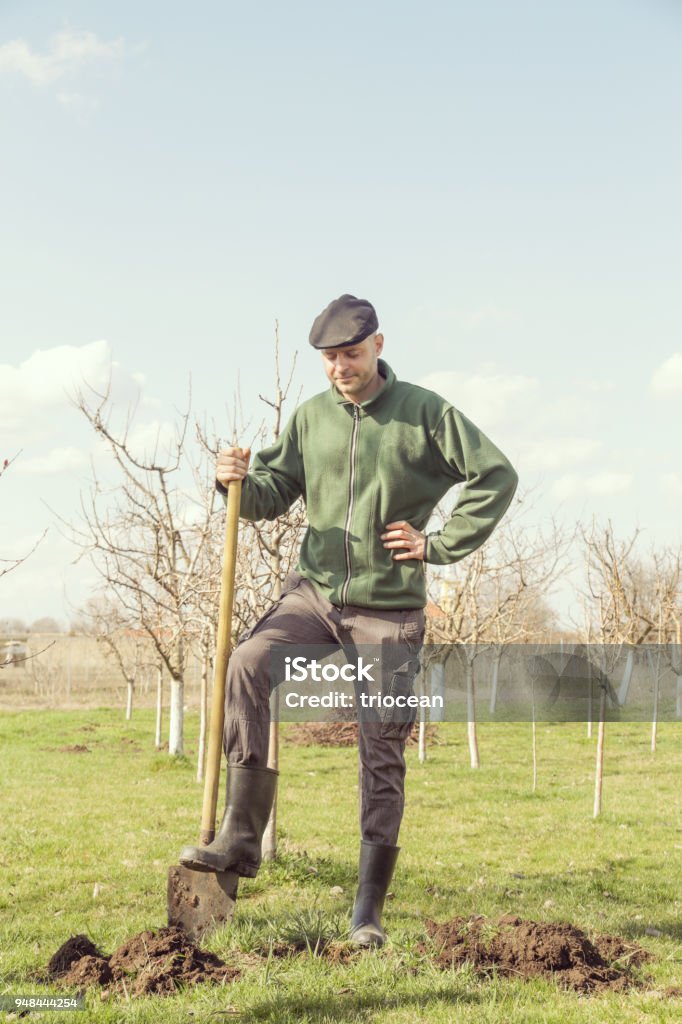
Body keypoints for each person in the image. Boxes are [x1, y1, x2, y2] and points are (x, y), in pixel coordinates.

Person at [180, 294, 518, 946]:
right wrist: (232, 484)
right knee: (248, 661)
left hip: (387, 609)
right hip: (315, 594)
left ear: (379, 346)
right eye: (331, 359)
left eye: (351, 355)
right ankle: (239, 842)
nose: (341, 368)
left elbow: (495, 475)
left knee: (380, 744)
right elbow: (272, 493)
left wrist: (438, 544)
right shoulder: (312, 418)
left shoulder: (425, 414)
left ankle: (366, 911)